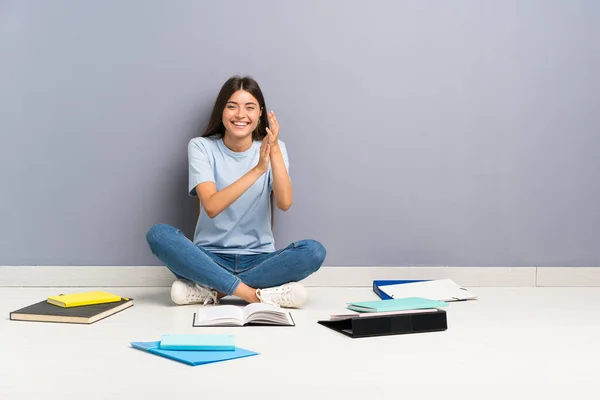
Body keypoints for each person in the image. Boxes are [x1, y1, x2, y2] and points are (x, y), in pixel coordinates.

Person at [146, 75, 326, 308]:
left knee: (313, 251)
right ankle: (254, 294)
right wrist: (258, 170)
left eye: (249, 108)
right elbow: (211, 206)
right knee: (159, 235)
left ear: (260, 113)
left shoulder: (276, 148)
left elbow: (284, 202)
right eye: (232, 107)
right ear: (221, 111)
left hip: (260, 260)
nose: (241, 115)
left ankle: (213, 291)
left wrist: (273, 153)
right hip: (208, 259)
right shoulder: (202, 147)